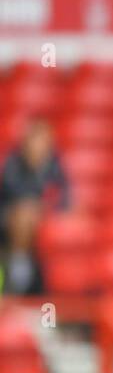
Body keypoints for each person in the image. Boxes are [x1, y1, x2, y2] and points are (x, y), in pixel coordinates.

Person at [0, 118, 69, 295]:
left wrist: (46, 208)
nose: (38, 147)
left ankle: (58, 284)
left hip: (42, 218)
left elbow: (65, 198)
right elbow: (15, 194)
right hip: (9, 216)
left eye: (44, 142)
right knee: (23, 215)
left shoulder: (55, 165)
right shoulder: (12, 163)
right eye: (35, 141)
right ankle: (18, 267)